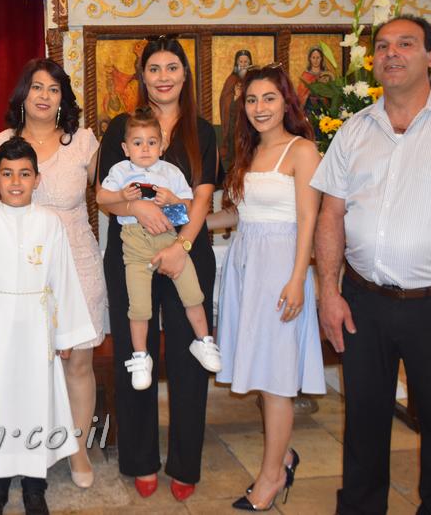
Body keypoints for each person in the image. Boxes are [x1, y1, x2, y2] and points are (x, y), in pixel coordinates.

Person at [312, 15, 431, 514]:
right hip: (363, 302)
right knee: (363, 423)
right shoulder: (355, 129)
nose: (391, 54)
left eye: (406, 44)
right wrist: (328, 292)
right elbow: (331, 215)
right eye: (382, 46)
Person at [97, 36, 221, 502]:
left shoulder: (201, 131)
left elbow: (202, 197)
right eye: (154, 68)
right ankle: (140, 459)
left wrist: (182, 244)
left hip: (186, 249)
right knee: (136, 352)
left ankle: (185, 463)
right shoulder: (122, 126)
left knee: (190, 355)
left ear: (185, 75)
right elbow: (105, 196)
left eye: (172, 67)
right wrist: (138, 207)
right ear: (142, 76)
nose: (163, 76)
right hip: (131, 251)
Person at [0, 137, 96, 515]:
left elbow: (62, 278)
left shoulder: (50, 223)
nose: (16, 182)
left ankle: (35, 486)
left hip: (37, 327)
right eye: (7, 174)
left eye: (25, 174)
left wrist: (65, 333)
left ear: (37, 179)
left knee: (36, 401)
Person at [207, 64, 325, 510]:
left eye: (269, 98)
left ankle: (272, 476)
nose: (259, 108)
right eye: (252, 100)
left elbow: (309, 219)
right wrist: (187, 219)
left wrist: (297, 279)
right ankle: (284, 455)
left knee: (276, 379)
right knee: (261, 371)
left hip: (280, 269)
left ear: (286, 102)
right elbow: (237, 215)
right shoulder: (249, 151)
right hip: (247, 267)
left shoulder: (302, 151)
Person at [0, 59, 105, 489]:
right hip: (24, 265)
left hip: (77, 257)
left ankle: (78, 451)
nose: (44, 96)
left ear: (63, 99)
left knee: (79, 359)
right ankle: (28, 446)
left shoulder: (84, 142)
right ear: (23, 94)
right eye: (36, 87)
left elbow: (110, 192)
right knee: (28, 361)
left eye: (53, 89)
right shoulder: (0, 141)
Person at [99, 107, 221, 389]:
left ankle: (204, 341)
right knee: (139, 306)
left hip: (169, 239)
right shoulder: (120, 171)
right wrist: (122, 196)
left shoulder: (171, 172)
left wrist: (173, 200)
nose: (145, 149)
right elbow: (102, 198)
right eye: (137, 143)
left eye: (152, 142)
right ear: (125, 148)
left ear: (162, 145)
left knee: (194, 294)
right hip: (135, 245)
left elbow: (189, 207)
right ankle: (141, 356)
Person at [219, 49, 253, 168]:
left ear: (250, 63)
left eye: (246, 62)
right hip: (235, 123)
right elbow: (225, 101)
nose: (243, 64)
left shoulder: (253, 79)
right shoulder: (231, 80)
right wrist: (236, 97)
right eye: (241, 62)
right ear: (236, 63)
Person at [296, 47, 333, 118]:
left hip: (324, 108)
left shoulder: (327, 74)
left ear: (321, 59)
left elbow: (333, 92)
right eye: (313, 57)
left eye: (318, 57)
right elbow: (301, 94)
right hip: (309, 108)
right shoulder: (305, 75)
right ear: (310, 59)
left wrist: (330, 76)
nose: (316, 60)